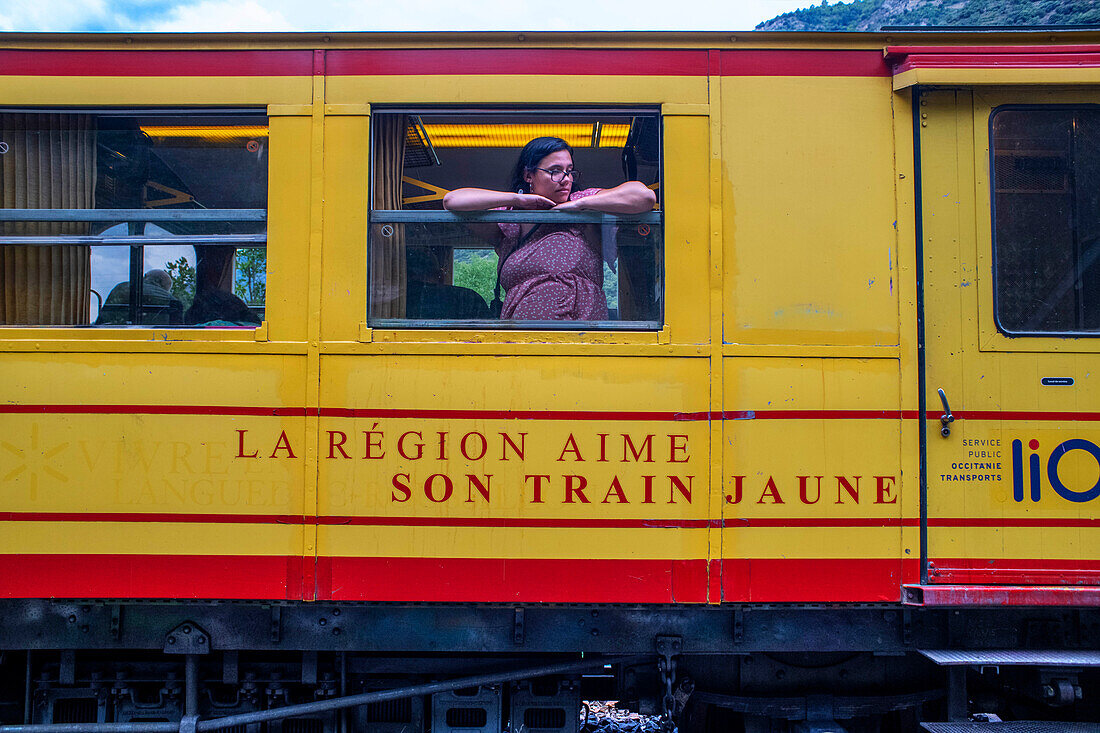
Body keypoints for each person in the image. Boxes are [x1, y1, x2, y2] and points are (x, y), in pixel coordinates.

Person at [442, 137, 655, 320]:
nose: (566, 180)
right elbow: (453, 200)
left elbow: (643, 197)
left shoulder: (584, 203)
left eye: (569, 172)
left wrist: (579, 205)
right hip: (523, 342)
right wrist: (519, 199)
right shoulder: (510, 216)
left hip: (582, 341)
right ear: (528, 176)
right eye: (555, 171)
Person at [96, 269, 183, 325]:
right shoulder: (173, 302)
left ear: (145, 276)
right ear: (164, 288)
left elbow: (103, 319)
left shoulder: (122, 288)